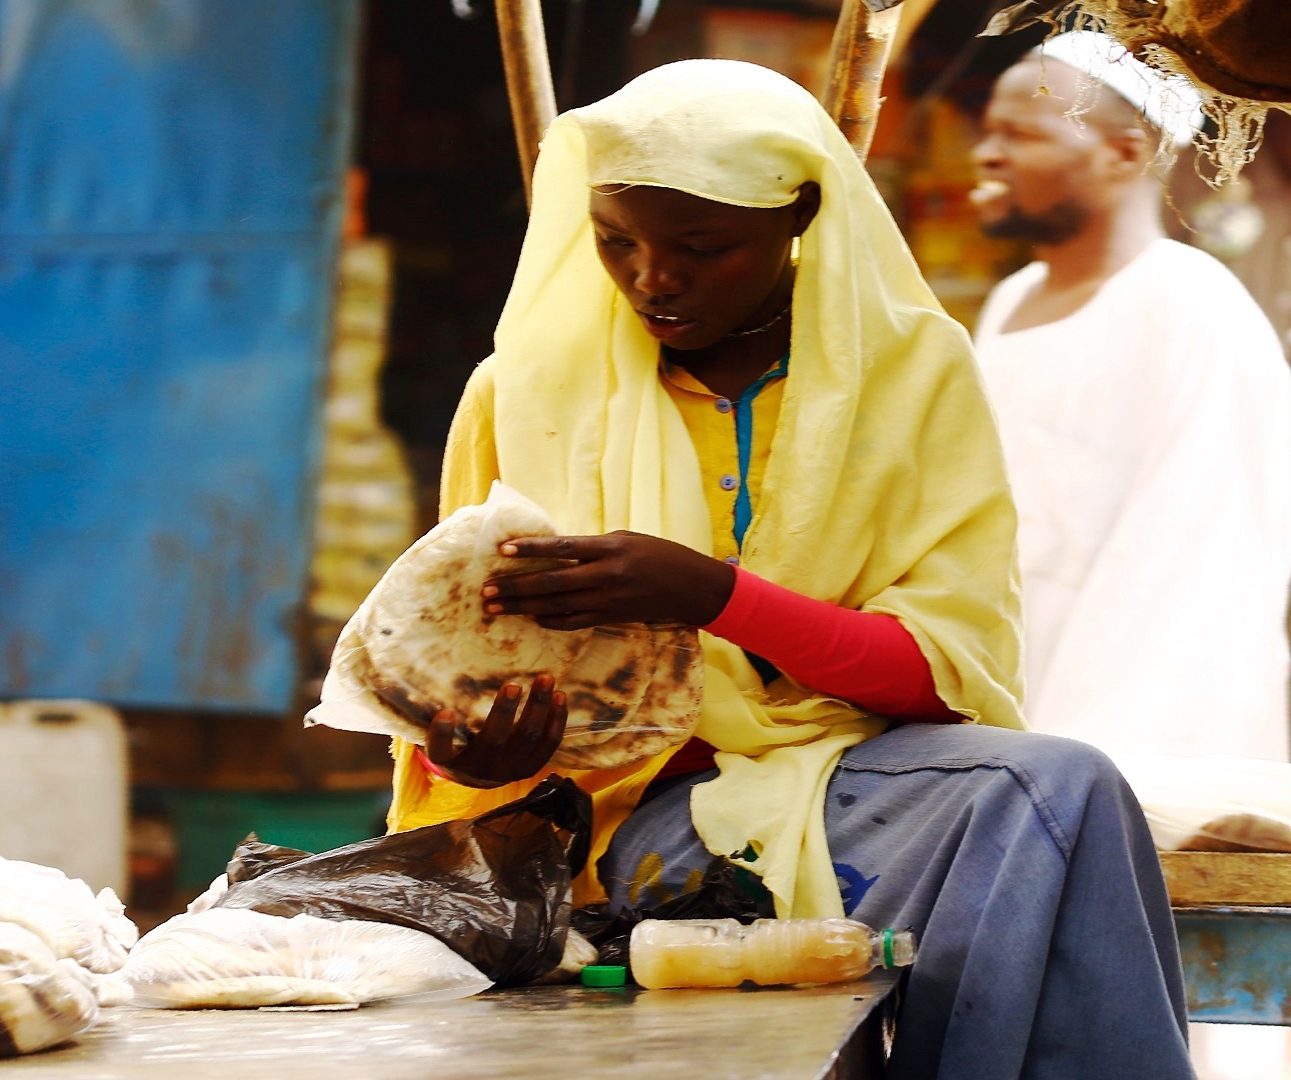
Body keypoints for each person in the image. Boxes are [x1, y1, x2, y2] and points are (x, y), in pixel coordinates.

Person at [385, 61, 1191, 1079]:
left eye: (702, 247)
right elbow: (451, 681)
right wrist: (476, 755)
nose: (652, 278)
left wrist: (714, 597)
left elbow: (942, 676)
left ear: (800, 217)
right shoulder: (523, 390)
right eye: (617, 241)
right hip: (625, 827)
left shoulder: (913, 372)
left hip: (873, 784)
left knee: (1057, 795)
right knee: (1047, 824)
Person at [972, 31, 1291, 762]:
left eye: (1020, 133)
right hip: (1013, 713)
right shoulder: (1011, 301)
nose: (987, 154)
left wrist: (1090, 764)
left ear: (1125, 153)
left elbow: (1198, 564)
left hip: (1135, 739)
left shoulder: (1189, 305)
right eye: (990, 131)